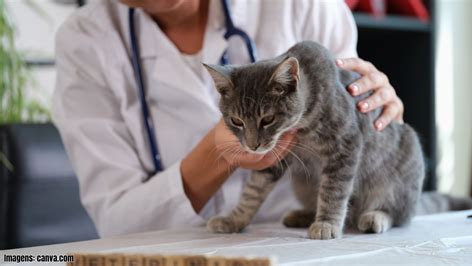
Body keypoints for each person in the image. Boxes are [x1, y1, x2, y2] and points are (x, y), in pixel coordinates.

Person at [53, 0, 404, 237]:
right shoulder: (85, 41)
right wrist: (215, 153)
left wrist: (380, 112)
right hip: (174, 249)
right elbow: (117, 226)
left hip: (300, 240)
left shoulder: (302, 4)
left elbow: (351, 139)